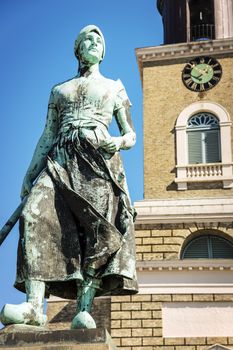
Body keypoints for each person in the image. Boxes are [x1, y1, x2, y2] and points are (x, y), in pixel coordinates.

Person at [0, 25, 138, 329]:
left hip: (98, 164)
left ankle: (84, 308)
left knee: (94, 231)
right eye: (87, 39)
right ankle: (35, 306)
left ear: (103, 50)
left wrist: (116, 142)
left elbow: (131, 135)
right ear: (78, 50)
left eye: (98, 40)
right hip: (59, 161)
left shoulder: (115, 87)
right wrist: (30, 172)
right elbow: (48, 133)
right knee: (35, 215)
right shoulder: (59, 90)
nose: (93, 43)